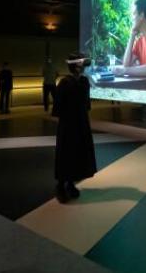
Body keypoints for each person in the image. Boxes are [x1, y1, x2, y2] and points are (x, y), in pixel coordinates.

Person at [52, 52, 97, 203]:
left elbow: (86, 103)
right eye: (80, 63)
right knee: (66, 152)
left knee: (78, 152)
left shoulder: (84, 81)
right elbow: (58, 107)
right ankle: (60, 185)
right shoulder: (64, 83)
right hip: (68, 124)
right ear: (74, 66)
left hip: (81, 122)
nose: (83, 66)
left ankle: (71, 183)